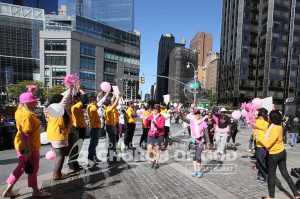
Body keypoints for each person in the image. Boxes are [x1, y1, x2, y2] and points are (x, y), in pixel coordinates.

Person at [2, 92, 50, 198]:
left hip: (21, 144)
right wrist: (28, 149)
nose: (36, 102)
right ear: (27, 103)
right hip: (30, 146)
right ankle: (36, 191)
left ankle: (8, 190)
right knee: (33, 168)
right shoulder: (28, 115)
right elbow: (26, 134)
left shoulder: (20, 111)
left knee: (22, 167)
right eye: (34, 101)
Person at [253, 110, 300, 199]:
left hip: (274, 154)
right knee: (285, 174)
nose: (268, 118)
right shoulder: (278, 125)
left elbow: (267, 144)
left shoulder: (274, 128)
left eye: (269, 116)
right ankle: (296, 195)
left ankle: (271, 196)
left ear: (272, 119)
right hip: (282, 152)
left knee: (271, 175)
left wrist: (258, 135)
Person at [46, 93, 73, 180]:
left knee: (59, 155)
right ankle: (57, 174)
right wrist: (70, 89)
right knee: (60, 155)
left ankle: (57, 172)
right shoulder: (57, 110)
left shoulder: (51, 109)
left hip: (53, 134)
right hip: (59, 135)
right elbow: (69, 121)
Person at [182, 109, 208, 177]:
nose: (197, 115)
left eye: (198, 114)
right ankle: (195, 170)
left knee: (198, 157)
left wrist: (207, 143)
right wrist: (179, 111)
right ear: (194, 115)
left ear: (200, 114)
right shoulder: (191, 121)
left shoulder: (203, 123)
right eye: (196, 114)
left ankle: (199, 171)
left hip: (200, 142)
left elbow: (206, 134)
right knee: (194, 157)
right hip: (193, 141)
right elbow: (183, 119)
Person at [68, 93, 86, 171]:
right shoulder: (76, 106)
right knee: (77, 147)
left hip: (77, 128)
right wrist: (81, 91)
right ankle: (73, 164)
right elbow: (85, 99)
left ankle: (74, 164)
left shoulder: (73, 107)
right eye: (79, 98)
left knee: (76, 147)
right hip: (77, 128)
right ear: (77, 99)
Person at [253, 108, 269, 184]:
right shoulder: (259, 121)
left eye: (259, 114)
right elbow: (255, 124)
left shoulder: (264, 123)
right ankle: (261, 174)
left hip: (262, 145)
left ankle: (266, 176)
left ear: (261, 115)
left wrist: (252, 119)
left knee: (261, 161)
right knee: (259, 161)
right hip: (258, 143)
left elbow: (256, 123)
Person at [103, 93, 121, 159]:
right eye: (110, 102)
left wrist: (114, 95)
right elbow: (114, 104)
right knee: (112, 140)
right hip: (110, 126)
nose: (111, 102)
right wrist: (118, 97)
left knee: (112, 140)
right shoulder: (108, 108)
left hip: (110, 126)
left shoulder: (107, 108)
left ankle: (110, 153)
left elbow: (113, 103)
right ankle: (110, 154)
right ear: (109, 104)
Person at [87, 96, 101, 164]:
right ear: (93, 101)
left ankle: (93, 157)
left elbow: (97, 107)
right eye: (96, 100)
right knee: (93, 143)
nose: (97, 102)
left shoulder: (92, 106)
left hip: (95, 126)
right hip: (94, 127)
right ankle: (90, 158)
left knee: (94, 143)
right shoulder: (91, 107)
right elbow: (97, 108)